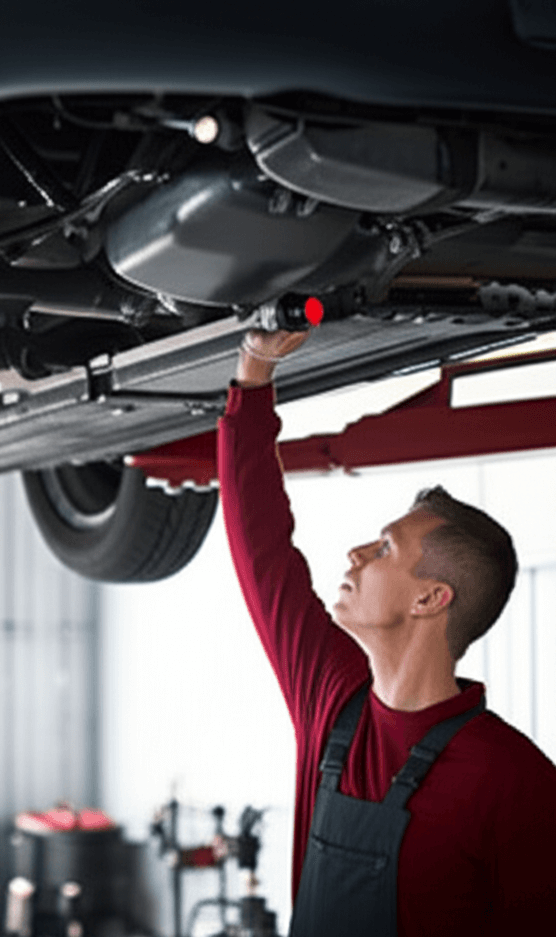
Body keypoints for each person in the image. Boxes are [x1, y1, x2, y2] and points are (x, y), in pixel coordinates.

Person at [218, 328, 556, 937]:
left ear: (431, 598)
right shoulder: (332, 699)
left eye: (384, 548)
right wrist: (254, 374)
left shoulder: (516, 783)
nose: (354, 554)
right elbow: (263, 553)